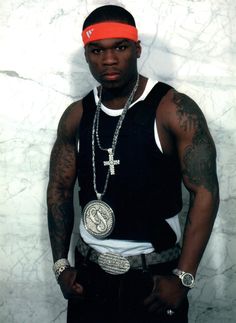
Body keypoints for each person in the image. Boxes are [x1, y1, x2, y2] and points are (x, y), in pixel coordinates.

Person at [47, 4, 219, 323]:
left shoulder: (173, 110)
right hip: (89, 278)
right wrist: (61, 265)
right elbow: (58, 188)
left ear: (137, 49)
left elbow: (205, 192)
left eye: (120, 47)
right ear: (87, 54)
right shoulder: (77, 115)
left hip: (154, 280)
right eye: (97, 50)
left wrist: (183, 277)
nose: (108, 59)